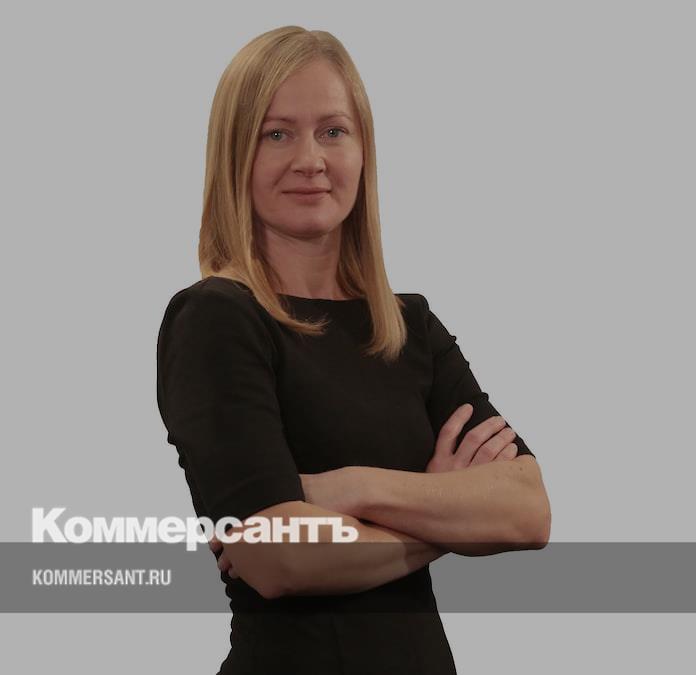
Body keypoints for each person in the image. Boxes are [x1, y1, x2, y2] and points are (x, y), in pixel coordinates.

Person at [155, 25, 551, 675]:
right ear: (235, 156)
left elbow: (528, 510)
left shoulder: (408, 325)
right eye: (276, 134)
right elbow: (279, 558)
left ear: (363, 152)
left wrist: (352, 488)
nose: (310, 158)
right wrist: (443, 511)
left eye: (333, 131)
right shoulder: (216, 319)